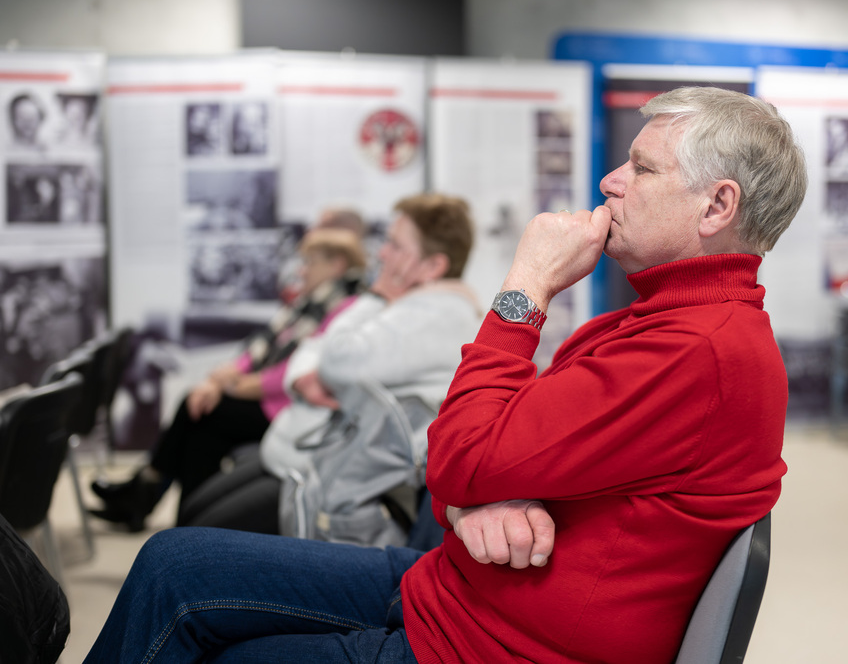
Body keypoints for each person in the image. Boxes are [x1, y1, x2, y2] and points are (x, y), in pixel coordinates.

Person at [84, 87, 808, 663]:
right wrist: (477, 501)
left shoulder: (696, 349)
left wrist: (527, 282)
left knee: (200, 636)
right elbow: (486, 445)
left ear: (717, 206)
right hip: (458, 589)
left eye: (643, 169)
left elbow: (462, 454)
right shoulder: (660, 322)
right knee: (173, 562)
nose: (610, 181)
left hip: (481, 642)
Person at [174, 193, 481, 538]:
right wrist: (309, 373)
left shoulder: (435, 317)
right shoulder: (414, 305)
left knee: (195, 533)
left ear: (433, 267)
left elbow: (335, 360)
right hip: (311, 465)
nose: (381, 253)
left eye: (395, 245)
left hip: (332, 490)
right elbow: (314, 350)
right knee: (195, 514)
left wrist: (374, 298)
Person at [89, 228, 367, 532]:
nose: (302, 270)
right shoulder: (310, 303)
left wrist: (232, 385)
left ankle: (151, 491)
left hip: (287, 410)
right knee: (202, 425)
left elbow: (297, 370)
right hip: (267, 398)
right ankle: (181, 519)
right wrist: (231, 373)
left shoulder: (345, 309)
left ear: (337, 264)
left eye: (310, 261)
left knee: (199, 411)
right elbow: (262, 346)